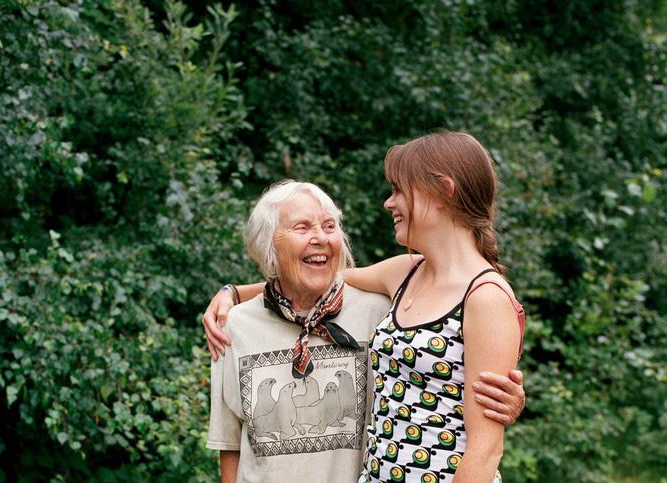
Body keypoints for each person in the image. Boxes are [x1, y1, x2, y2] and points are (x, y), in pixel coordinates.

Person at [206, 131, 526, 482]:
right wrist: (234, 293)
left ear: (443, 192)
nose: (389, 203)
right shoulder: (404, 273)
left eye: (399, 190)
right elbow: (321, 276)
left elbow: (486, 450)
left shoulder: (486, 297)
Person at [207, 180, 392, 482]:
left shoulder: (378, 313)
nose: (320, 237)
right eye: (302, 228)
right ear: (268, 244)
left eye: (329, 226)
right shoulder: (233, 326)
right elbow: (230, 444)